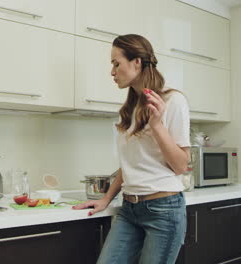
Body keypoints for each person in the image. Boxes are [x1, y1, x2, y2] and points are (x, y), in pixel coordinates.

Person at [73, 34, 191, 264]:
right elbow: (129, 165)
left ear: (136, 62)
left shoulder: (173, 101)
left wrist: (157, 125)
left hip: (163, 210)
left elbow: (181, 165)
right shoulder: (129, 109)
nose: (112, 71)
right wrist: (106, 199)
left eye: (116, 63)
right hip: (129, 210)